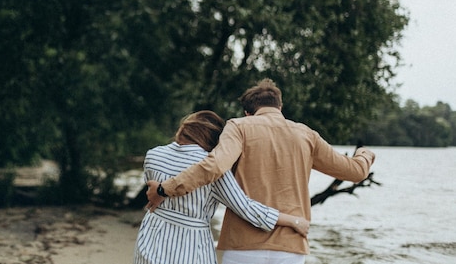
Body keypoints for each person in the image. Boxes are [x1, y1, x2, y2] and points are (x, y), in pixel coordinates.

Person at [146, 79, 376, 264]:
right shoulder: (306, 135)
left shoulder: (239, 127)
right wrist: (365, 154)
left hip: (243, 246)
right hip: (290, 248)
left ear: (248, 112)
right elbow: (355, 172)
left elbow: (214, 166)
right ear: (280, 106)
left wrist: (165, 189)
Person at [134, 110, 309, 264]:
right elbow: (245, 207)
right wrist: (293, 221)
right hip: (191, 245)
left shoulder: (153, 155)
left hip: (152, 237)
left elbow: (156, 190)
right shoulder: (213, 169)